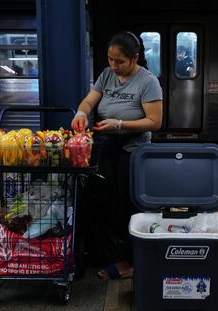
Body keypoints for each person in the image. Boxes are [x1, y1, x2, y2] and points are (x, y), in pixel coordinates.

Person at [71, 31, 163, 279]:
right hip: (106, 147)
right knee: (102, 202)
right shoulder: (107, 75)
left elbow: (154, 122)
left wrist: (120, 124)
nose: (114, 65)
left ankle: (131, 262)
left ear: (135, 58)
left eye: (119, 61)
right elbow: (89, 102)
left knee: (126, 206)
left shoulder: (148, 81)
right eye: (110, 59)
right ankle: (104, 252)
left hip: (132, 152)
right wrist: (81, 113)